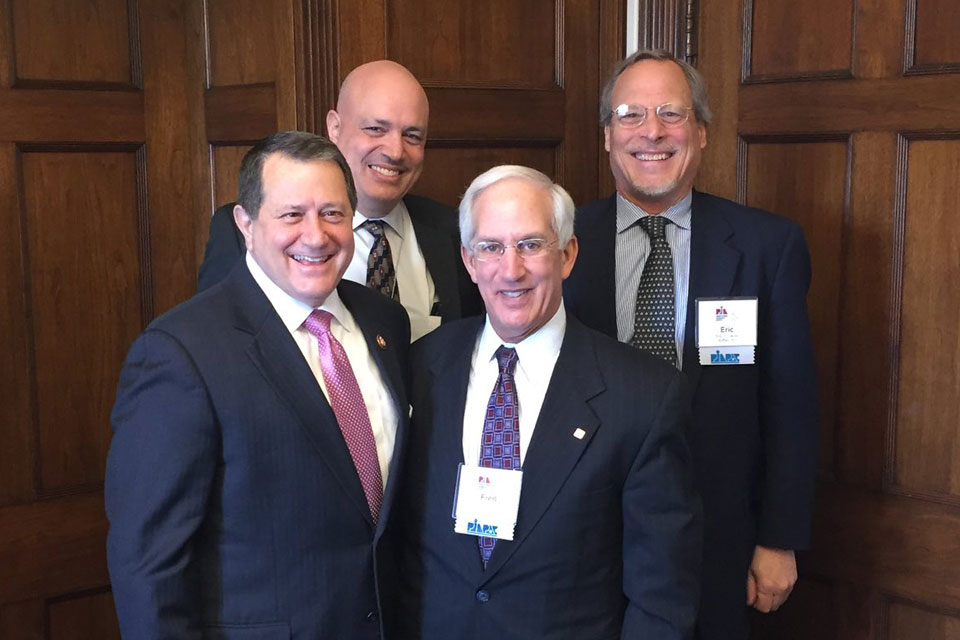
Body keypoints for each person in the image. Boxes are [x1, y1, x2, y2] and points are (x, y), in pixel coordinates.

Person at [106, 131, 410, 639]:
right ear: (245, 224)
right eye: (291, 215)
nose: (315, 236)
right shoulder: (181, 353)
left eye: (333, 214)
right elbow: (147, 564)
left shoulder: (386, 322)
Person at [563, 49, 819, 639]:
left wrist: (779, 538)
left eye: (671, 114)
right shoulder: (556, 242)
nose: (651, 131)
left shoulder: (766, 246)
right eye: (630, 115)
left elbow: (791, 407)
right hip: (583, 541)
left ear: (700, 132)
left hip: (720, 543)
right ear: (607, 136)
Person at [391, 165, 702, 639]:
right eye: (490, 247)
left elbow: (661, 592)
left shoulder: (644, 395)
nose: (510, 269)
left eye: (531, 245)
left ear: (568, 254)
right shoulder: (419, 368)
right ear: (468, 261)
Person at [197, 60, 481, 340]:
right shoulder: (248, 231)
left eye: (412, 135)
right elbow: (216, 344)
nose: (395, 151)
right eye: (376, 129)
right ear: (334, 127)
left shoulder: (455, 231)